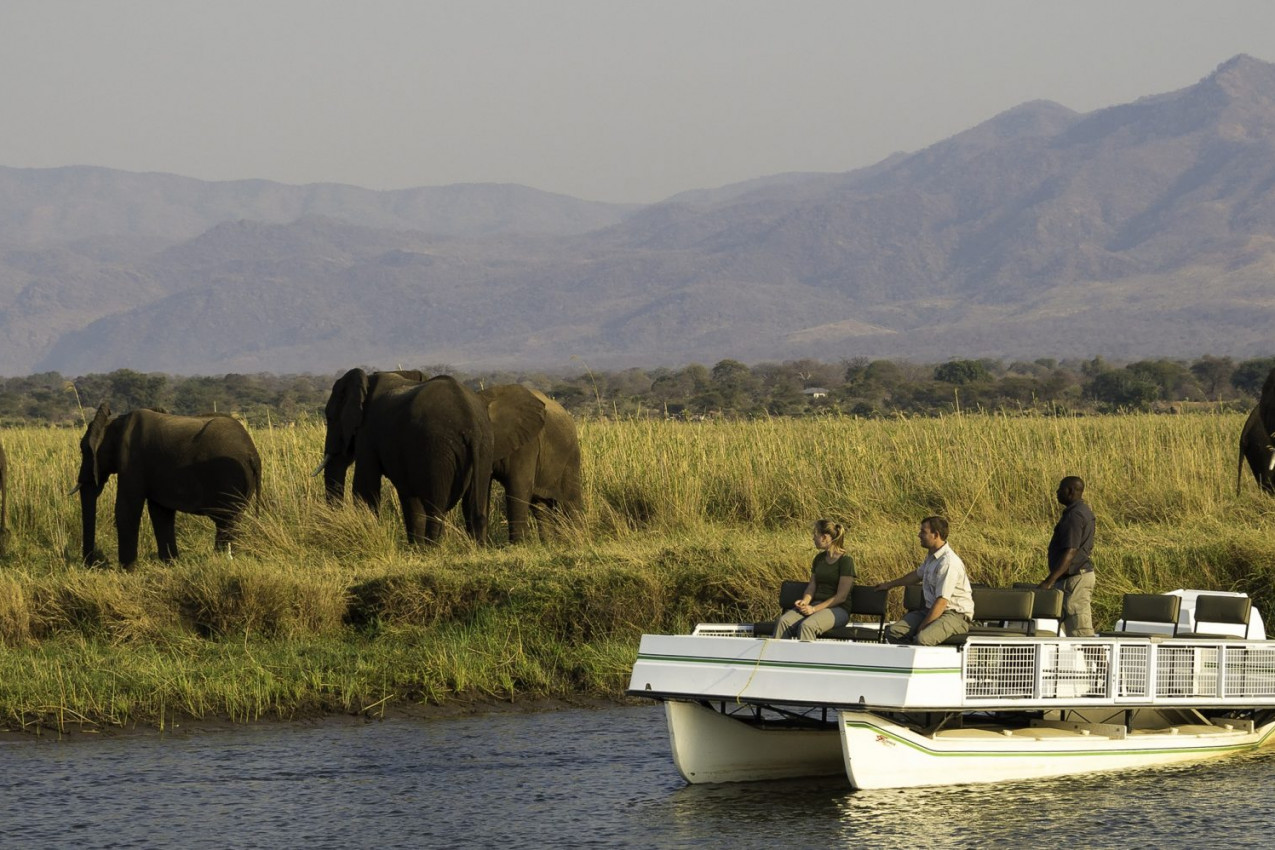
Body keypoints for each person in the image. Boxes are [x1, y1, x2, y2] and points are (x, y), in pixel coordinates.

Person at [876, 516, 974, 646]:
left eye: (923, 531)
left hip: (955, 615)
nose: (919, 535)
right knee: (893, 632)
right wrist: (889, 585)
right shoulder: (932, 557)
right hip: (930, 610)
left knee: (923, 638)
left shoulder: (948, 563)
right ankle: (909, 661)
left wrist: (922, 627)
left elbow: (942, 602)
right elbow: (916, 575)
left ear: (936, 535)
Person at [772, 519, 856, 640]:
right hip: (815, 604)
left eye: (814, 535)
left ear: (824, 537)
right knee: (783, 622)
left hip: (838, 609)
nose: (812, 538)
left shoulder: (846, 561)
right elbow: (812, 585)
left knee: (807, 626)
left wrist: (813, 609)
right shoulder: (819, 558)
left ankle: (805, 658)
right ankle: (779, 657)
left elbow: (841, 596)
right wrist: (805, 601)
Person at [1039, 476, 1096, 636]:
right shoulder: (1081, 511)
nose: (1057, 492)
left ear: (1070, 491)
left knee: (1081, 632)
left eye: (1060, 489)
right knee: (1070, 631)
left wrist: (1048, 581)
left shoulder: (1075, 515)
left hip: (1075, 580)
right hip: (1070, 579)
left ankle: (1105, 663)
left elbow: (1071, 550)